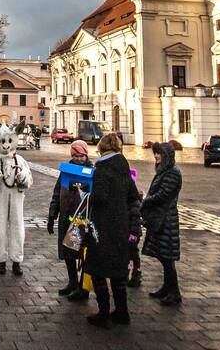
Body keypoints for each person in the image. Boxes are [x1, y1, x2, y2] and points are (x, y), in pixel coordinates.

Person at [83, 132, 139, 329]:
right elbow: (133, 196)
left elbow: (99, 197)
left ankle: (104, 313)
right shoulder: (124, 168)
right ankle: (122, 312)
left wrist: (86, 191)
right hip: (121, 226)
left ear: (102, 147)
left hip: (103, 227)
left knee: (98, 270)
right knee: (118, 271)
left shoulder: (102, 169)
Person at [0, 118, 33, 276]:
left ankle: (17, 261)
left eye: (9, 141)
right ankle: (1, 261)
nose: (6, 145)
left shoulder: (20, 160)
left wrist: (22, 177)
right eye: (2, 141)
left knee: (18, 228)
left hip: (16, 198)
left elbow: (29, 180)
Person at [48, 140, 92, 301]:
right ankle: (72, 282)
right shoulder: (66, 171)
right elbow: (56, 193)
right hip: (66, 217)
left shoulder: (92, 171)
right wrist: (52, 215)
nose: (78, 159)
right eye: (75, 156)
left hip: (82, 220)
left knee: (82, 254)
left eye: (81, 156)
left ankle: (82, 287)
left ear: (86, 155)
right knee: (68, 253)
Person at [141, 142, 182, 305]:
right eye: (155, 153)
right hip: (160, 219)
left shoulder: (172, 173)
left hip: (167, 220)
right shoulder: (163, 171)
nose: (156, 156)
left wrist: (145, 201)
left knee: (167, 258)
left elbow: (163, 195)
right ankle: (167, 287)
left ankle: (174, 292)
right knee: (163, 256)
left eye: (159, 153)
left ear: (167, 156)